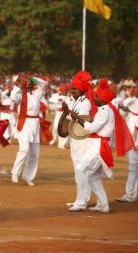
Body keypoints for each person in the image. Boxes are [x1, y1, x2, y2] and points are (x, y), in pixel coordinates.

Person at [69, 79, 134, 212]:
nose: (95, 98)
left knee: (81, 169)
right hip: (97, 145)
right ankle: (103, 205)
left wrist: (77, 118)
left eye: (97, 96)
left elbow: (91, 128)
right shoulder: (104, 110)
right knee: (93, 176)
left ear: (104, 99)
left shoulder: (105, 111)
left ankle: (81, 202)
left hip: (99, 146)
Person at [61, 71, 92, 211]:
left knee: (81, 170)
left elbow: (81, 121)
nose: (72, 90)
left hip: (81, 140)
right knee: (77, 170)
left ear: (82, 89)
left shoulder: (85, 103)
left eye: (75, 88)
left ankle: (82, 200)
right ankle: (80, 198)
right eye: (72, 88)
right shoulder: (76, 102)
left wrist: (68, 112)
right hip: (75, 140)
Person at [10, 75, 47, 186]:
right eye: (27, 82)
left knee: (34, 153)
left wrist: (34, 78)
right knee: (24, 149)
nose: (30, 84)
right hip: (24, 123)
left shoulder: (37, 93)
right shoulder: (21, 95)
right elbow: (12, 98)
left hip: (35, 124)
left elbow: (44, 83)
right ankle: (15, 173)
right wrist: (18, 87)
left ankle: (28, 176)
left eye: (31, 82)